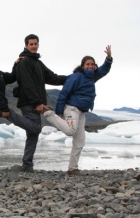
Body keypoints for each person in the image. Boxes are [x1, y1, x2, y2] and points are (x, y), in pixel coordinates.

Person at [43, 45, 113, 175]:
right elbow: (64, 93)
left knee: (80, 141)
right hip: (72, 109)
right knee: (70, 131)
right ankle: (48, 114)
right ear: (82, 66)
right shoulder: (76, 77)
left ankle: (72, 168)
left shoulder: (92, 77)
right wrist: (59, 112)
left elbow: (104, 70)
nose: (90, 66)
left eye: (92, 64)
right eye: (88, 64)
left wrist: (108, 58)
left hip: (82, 112)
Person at [11, 34, 67, 172]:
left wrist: (72, 78)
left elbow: (52, 77)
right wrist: (37, 103)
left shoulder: (37, 62)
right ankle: (9, 115)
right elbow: (27, 84)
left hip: (34, 102)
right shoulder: (25, 62)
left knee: (33, 133)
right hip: (28, 102)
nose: (34, 46)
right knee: (35, 128)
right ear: (26, 45)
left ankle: (27, 164)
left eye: (36, 44)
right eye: (31, 44)